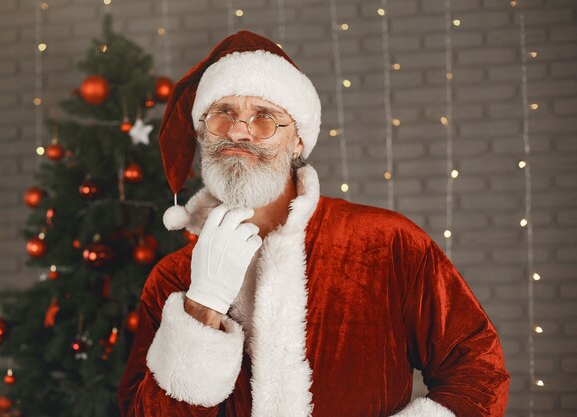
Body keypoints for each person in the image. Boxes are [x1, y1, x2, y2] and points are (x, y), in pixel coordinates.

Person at [117, 31, 510, 417]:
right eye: (223, 115)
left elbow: (479, 371)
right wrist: (201, 307)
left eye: (265, 118)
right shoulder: (173, 278)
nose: (239, 130)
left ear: (299, 141)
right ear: (203, 133)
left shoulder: (387, 243)